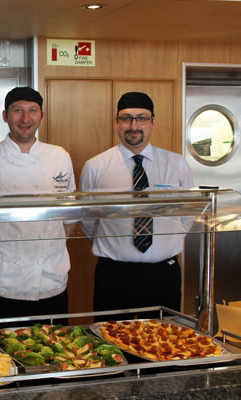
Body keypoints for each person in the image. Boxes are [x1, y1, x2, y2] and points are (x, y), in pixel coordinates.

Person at [0, 87, 75, 324]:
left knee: (54, 356)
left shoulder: (59, 156)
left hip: (51, 280)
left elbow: (69, 218)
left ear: (41, 116)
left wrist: (50, 249)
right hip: (0, 282)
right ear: (5, 116)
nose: (25, 119)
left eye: (32, 111)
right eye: (18, 111)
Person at [79, 91, 193, 320]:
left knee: (164, 345)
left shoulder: (177, 165)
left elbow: (186, 217)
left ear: (153, 122)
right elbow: (88, 220)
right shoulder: (96, 166)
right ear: (116, 122)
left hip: (164, 274)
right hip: (113, 274)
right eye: (126, 118)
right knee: (109, 348)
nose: (134, 125)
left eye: (141, 118)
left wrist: (164, 243)